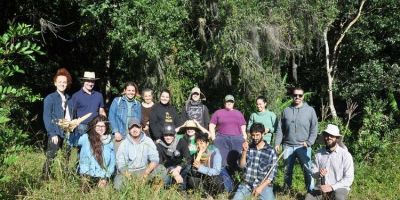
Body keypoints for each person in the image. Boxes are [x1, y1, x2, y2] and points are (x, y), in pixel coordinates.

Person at [275, 87, 318, 192]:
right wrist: (277, 143)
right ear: (292, 96)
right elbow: (280, 129)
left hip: (303, 146)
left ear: (303, 97)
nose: (297, 97)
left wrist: (309, 143)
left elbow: (314, 128)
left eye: (300, 95)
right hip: (287, 146)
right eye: (295, 95)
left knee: (308, 171)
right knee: (287, 171)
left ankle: (311, 191)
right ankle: (286, 191)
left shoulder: (310, 110)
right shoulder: (286, 111)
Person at [305, 124, 354, 200]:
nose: (329, 137)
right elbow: (313, 173)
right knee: (308, 198)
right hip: (321, 189)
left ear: (337, 138)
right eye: (327, 135)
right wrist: (318, 174)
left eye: (332, 135)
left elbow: (349, 178)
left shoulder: (345, 155)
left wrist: (331, 187)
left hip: (338, 188)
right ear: (324, 137)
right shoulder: (319, 154)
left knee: (339, 197)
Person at [42, 68, 73, 179]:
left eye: (64, 82)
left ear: (67, 84)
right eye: (60, 82)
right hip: (55, 131)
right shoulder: (50, 98)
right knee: (51, 156)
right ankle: (45, 178)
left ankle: (65, 178)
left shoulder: (69, 98)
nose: (62, 84)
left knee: (66, 157)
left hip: (67, 132)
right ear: (55, 83)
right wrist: (52, 133)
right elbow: (46, 117)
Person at [233, 123, 278, 200]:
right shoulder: (247, 148)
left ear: (263, 134)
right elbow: (241, 166)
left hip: (264, 185)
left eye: (257, 135)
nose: (255, 138)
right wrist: (244, 151)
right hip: (246, 184)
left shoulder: (271, 151)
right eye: (253, 135)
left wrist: (260, 188)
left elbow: (272, 175)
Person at [114, 118, 161, 190]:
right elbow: (120, 164)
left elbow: (155, 159)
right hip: (129, 172)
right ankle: (133, 189)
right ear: (129, 130)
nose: (135, 129)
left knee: (161, 169)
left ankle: (152, 190)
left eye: (137, 127)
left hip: (144, 170)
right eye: (132, 127)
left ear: (141, 128)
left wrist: (146, 173)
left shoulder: (148, 140)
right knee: (118, 184)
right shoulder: (124, 143)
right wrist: (129, 177)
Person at [209, 94, 247, 168]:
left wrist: (244, 137)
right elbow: (211, 125)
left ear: (233, 103)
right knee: (220, 161)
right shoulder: (218, 112)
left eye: (231, 101)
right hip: (221, 139)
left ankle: (235, 176)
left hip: (237, 139)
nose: (229, 103)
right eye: (227, 101)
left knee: (236, 161)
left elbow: (243, 126)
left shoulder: (238, 113)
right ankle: (221, 176)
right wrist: (213, 138)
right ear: (224, 102)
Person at [78, 115, 115, 189]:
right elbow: (73, 142)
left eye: (103, 126)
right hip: (86, 174)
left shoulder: (109, 142)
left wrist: (106, 177)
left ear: (106, 127)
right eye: (98, 126)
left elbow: (112, 162)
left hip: (102, 175)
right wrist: (72, 126)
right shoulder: (85, 138)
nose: (100, 128)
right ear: (94, 126)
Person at [70, 71, 106, 147]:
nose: (90, 83)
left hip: (96, 126)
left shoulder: (99, 95)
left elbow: (101, 111)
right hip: (82, 127)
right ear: (83, 81)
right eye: (88, 81)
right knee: (82, 149)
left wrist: (105, 124)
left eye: (92, 81)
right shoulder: (76, 96)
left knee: (96, 148)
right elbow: (72, 113)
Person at [187, 132, 225, 197]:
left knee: (216, 180)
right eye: (197, 144)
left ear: (207, 144)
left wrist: (200, 168)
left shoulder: (215, 154)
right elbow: (193, 171)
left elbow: (216, 171)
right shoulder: (195, 155)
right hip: (202, 180)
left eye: (201, 143)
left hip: (212, 179)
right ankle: (205, 195)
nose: (199, 146)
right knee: (191, 179)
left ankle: (217, 196)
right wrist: (199, 154)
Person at [156, 123, 191, 190]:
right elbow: (160, 163)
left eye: (171, 135)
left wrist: (178, 168)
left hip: (180, 167)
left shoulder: (181, 141)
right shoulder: (159, 145)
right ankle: (172, 188)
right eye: (166, 135)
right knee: (166, 181)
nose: (168, 137)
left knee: (188, 166)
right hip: (167, 169)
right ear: (163, 135)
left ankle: (183, 188)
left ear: (174, 135)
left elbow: (187, 157)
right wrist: (172, 171)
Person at [109, 82, 141, 149]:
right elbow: (111, 117)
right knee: (118, 157)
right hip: (119, 134)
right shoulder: (117, 101)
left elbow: (138, 120)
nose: (131, 92)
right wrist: (116, 132)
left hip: (132, 135)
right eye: (129, 90)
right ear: (125, 91)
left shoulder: (137, 104)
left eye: (133, 91)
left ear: (135, 92)